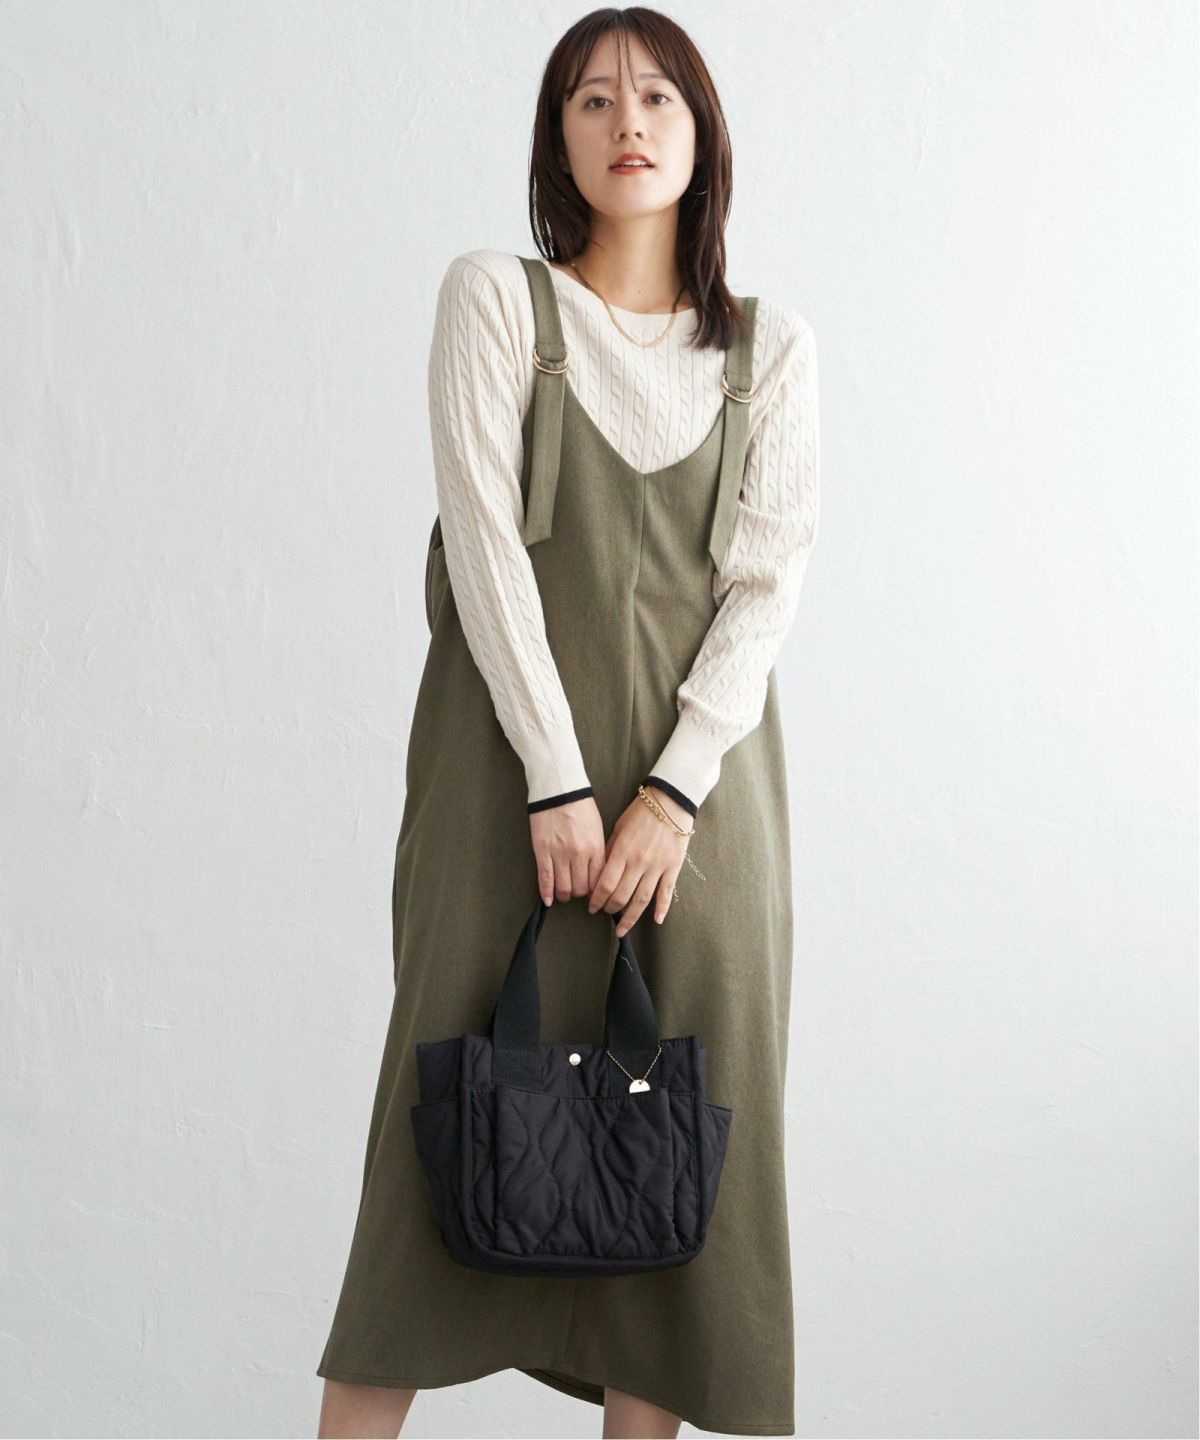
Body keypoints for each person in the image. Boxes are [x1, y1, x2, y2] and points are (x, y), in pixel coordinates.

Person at [315, 9, 820, 1438]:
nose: (628, 122)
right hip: (499, 794)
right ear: (558, 142)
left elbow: (768, 588)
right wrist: (555, 780)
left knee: (676, 1163)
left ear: (704, 136)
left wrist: (669, 796)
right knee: (438, 1139)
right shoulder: (497, 300)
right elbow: (484, 547)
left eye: (657, 97)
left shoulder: (771, 349)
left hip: (703, 821)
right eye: (592, 101)